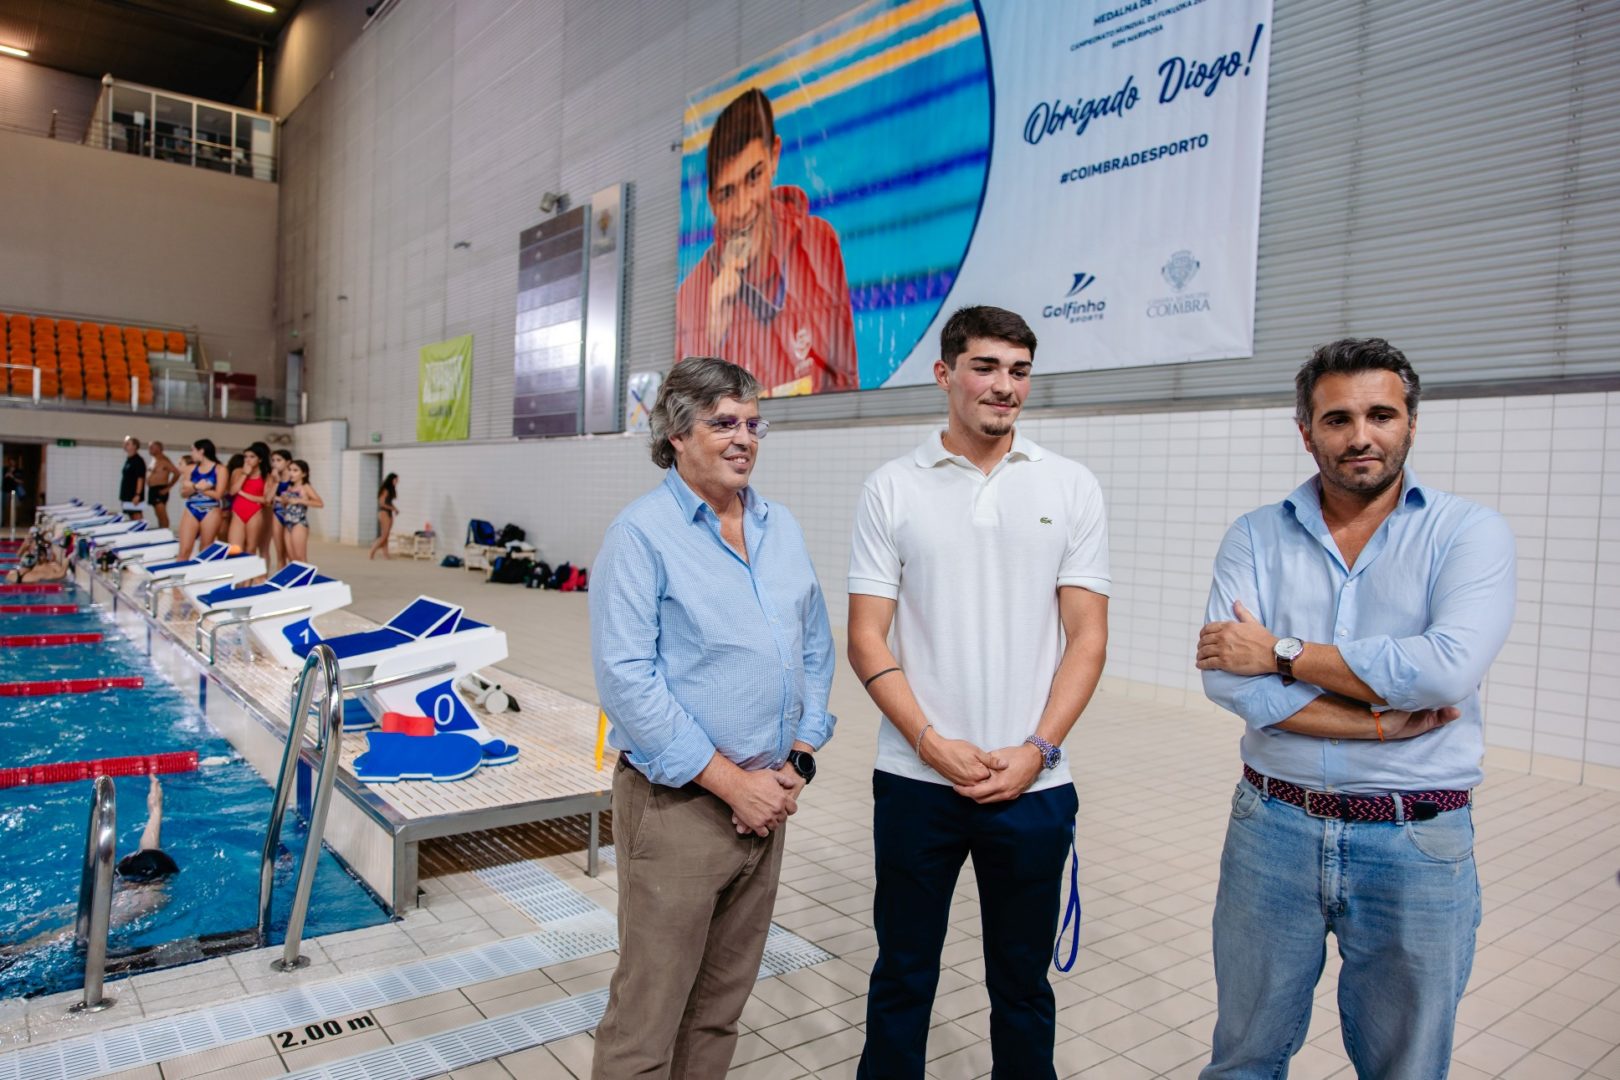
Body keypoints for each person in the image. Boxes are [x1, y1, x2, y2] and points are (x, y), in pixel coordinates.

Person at [1194, 338, 1516, 1079]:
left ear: (1411, 424)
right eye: (1337, 419)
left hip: (1416, 839)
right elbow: (1226, 680)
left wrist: (1281, 652)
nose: (1360, 436)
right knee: (1243, 1059)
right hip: (1272, 826)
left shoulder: (1468, 532)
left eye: (1381, 415)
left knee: (1406, 1066)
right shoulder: (1255, 535)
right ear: (1306, 431)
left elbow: (1443, 670)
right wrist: (1372, 721)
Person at [847, 306, 1110, 1079]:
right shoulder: (892, 487)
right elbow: (866, 637)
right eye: (986, 367)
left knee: (1022, 986)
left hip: (1033, 783)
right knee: (903, 973)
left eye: (1019, 371)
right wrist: (930, 743)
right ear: (945, 374)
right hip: (915, 781)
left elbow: (1087, 639)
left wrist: (1038, 750)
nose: (1005, 386)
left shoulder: (1070, 485)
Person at [589, 356, 836, 1078]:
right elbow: (627, 681)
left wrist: (800, 756)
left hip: (769, 802)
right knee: (647, 1018)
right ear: (675, 433)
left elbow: (814, 646)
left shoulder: (779, 527)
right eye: (724, 423)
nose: (744, 439)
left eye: (753, 424)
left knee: (720, 1009)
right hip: (680, 808)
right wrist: (733, 784)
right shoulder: (641, 535)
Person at [675, 87, 857, 397]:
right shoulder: (691, 298)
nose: (743, 208)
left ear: (774, 156)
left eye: (754, 177)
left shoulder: (818, 243)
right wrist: (713, 331)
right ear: (711, 201)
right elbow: (689, 411)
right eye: (727, 193)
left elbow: (846, 384)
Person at [0, 775, 177, 963]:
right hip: (114, 899)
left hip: (102, 920)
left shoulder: (143, 900)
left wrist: (23, 950)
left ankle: (14, 949)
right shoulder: (154, 873)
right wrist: (156, 809)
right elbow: (150, 846)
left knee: (68, 920)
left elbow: (85, 931)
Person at [177, 439, 223, 559]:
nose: (191, 454)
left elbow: (218, 494)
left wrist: (196, 487)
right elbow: (183, 493)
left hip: (211, 510)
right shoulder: (190, 469)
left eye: (193, 450)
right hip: (192, 508)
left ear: (201, 451)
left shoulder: (220, 469)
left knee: (205, 549)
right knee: (184, 550)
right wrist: (196, 486)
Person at [226, 443, 271, 564]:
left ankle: (247, 576)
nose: (248, 460)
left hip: (255, 512)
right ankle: (237, 575)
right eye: (246, 457)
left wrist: (244, 494)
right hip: (238, 512)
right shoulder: (238, 472)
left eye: (252, 457)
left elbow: (266, 499)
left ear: (260, 459)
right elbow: (232, 491)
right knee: (234, 549)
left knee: (251, 548)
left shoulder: (266, 475)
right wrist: (245, 474)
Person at [276, 459, 322, 563]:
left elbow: (319, 503)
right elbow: (287, 505)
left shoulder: (305, 487)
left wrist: (299, 500)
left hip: (299, 523)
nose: (291, 473)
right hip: (287, 523)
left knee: (300, 556)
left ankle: (305, 574)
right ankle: (296, 574)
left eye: (295, 470)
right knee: (291, 557)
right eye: (290, 470)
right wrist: (284, 501)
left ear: (304, 474)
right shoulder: (290, 487)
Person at [268, 449, 294, 570]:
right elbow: (268, 499)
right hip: (277, 513)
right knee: (280, 554)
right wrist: (276, 482)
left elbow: (289, 499)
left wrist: (278, 498)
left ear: (288, 462)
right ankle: (281, 578)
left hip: (291, 515)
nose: (275, 463)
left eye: (279, 460)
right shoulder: (274, 477)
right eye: (273, 460)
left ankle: (295, 577)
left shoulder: (293, 477)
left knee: (291, 554)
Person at [146, 441, 179, 530]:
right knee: (158, 515)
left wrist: (168, 488)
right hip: (153, 490)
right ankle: (161, 533)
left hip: (160, 489)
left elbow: (177, 473)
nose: (149, 449)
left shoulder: (164, 460)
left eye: (152, 447)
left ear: (158, 449)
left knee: (162, 516)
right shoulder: (154, 460)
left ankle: (165, 533)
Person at [369, 473, 397, 560]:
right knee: (384, 535)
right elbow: (382, 503)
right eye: (395, 480)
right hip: (384, 512)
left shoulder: (391, 490)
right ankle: (373, 550)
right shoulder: (385, 490)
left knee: (387, 535)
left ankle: (386, 554)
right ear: (391, 480)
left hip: (389, 513)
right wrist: (392, 508)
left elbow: (389, 502)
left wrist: (395, 509)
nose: (397, 482)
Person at [118, 436, 147, 520]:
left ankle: (142, 529)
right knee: (132, 517)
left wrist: (137, 495)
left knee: (137, 517)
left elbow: (140, 479)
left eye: (128, 444)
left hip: (133, 495)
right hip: (127, 495)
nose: (125, 445)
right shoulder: (129, 459)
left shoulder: (138, 460)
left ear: (134, 446)